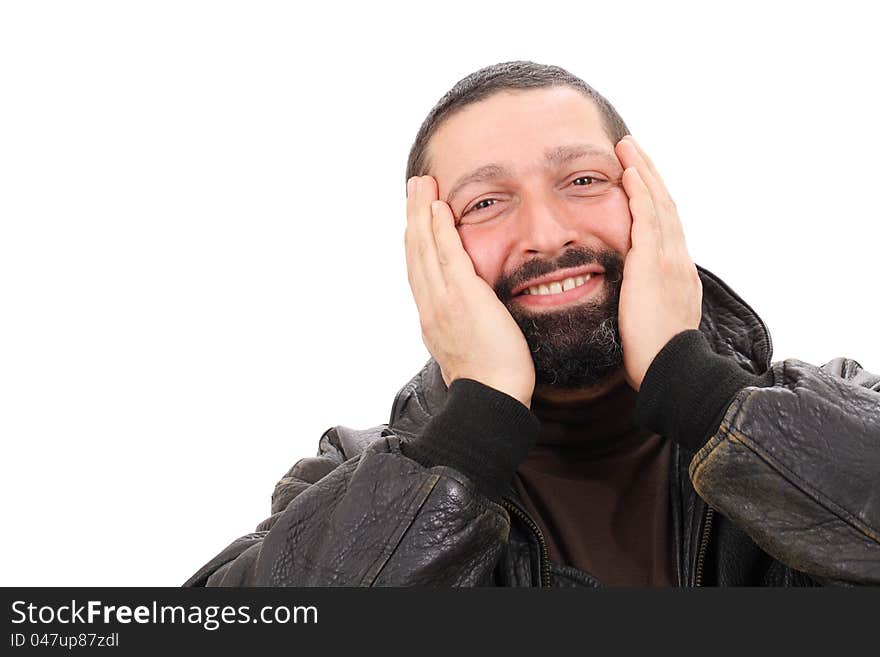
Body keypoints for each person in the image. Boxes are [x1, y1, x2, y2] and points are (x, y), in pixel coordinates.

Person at [184, 61, 880, 587]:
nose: (546, 235)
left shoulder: (823, 411)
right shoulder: (352, 480)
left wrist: (692, 382)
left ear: (652, 204)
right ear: (432, 252)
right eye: (486, 202)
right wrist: (475, 427)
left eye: (582, 181)